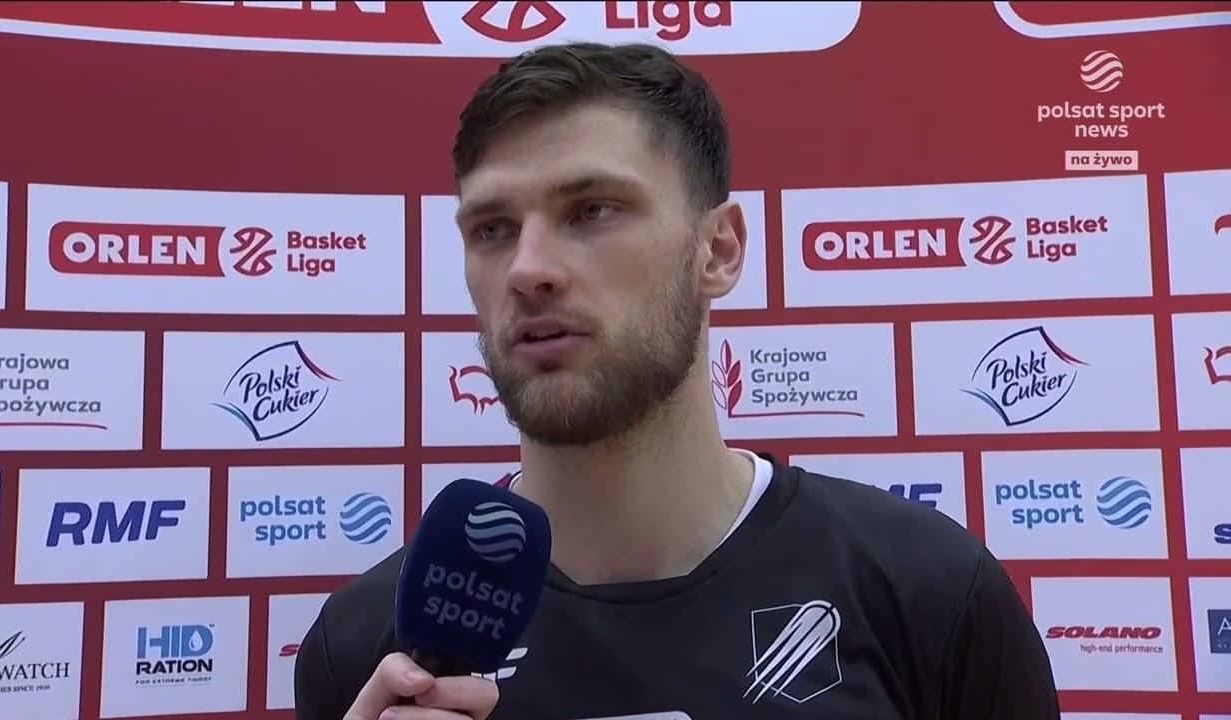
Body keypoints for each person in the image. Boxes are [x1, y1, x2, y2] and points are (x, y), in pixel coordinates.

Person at [294, 41, 1062, 720]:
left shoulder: (929, 593)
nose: (528, 269)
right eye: (492, 229)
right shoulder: (369, 650)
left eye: (592, 211)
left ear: (718, 250)